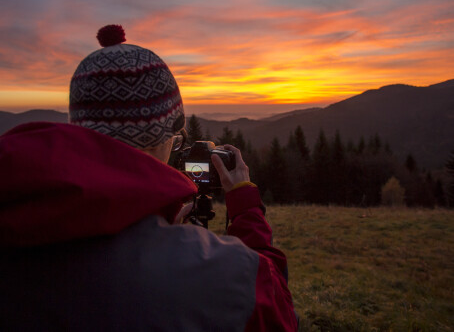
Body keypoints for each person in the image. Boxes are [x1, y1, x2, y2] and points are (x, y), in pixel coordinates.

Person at [0, 25, 298, 331]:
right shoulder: (214, 273)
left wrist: (150, 224)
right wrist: (246, 210)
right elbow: (278, 311)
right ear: (166, 135)